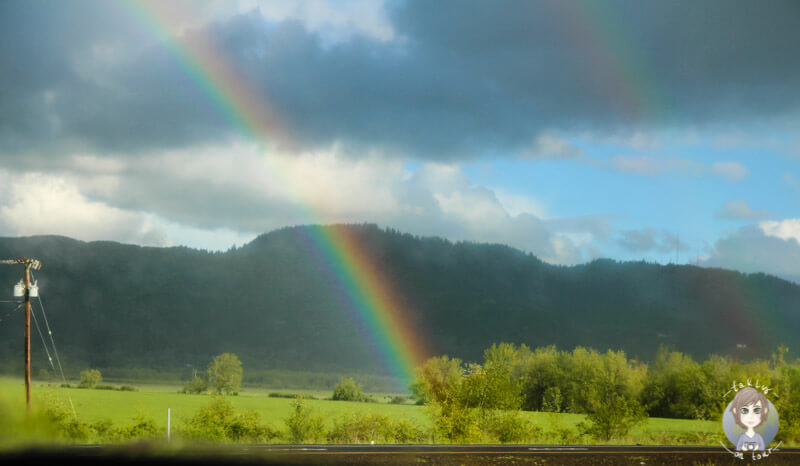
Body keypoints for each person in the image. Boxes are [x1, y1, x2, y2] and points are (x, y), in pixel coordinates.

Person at [730, 387, 769, 451]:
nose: (751, 416)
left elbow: (762, 448)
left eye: (756, 410)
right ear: (735, 411)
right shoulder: (742, 437)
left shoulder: (758, 437)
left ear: (764, 411)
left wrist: (757, 448)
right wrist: (743, 448)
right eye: (744, 410)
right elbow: (738, 448)